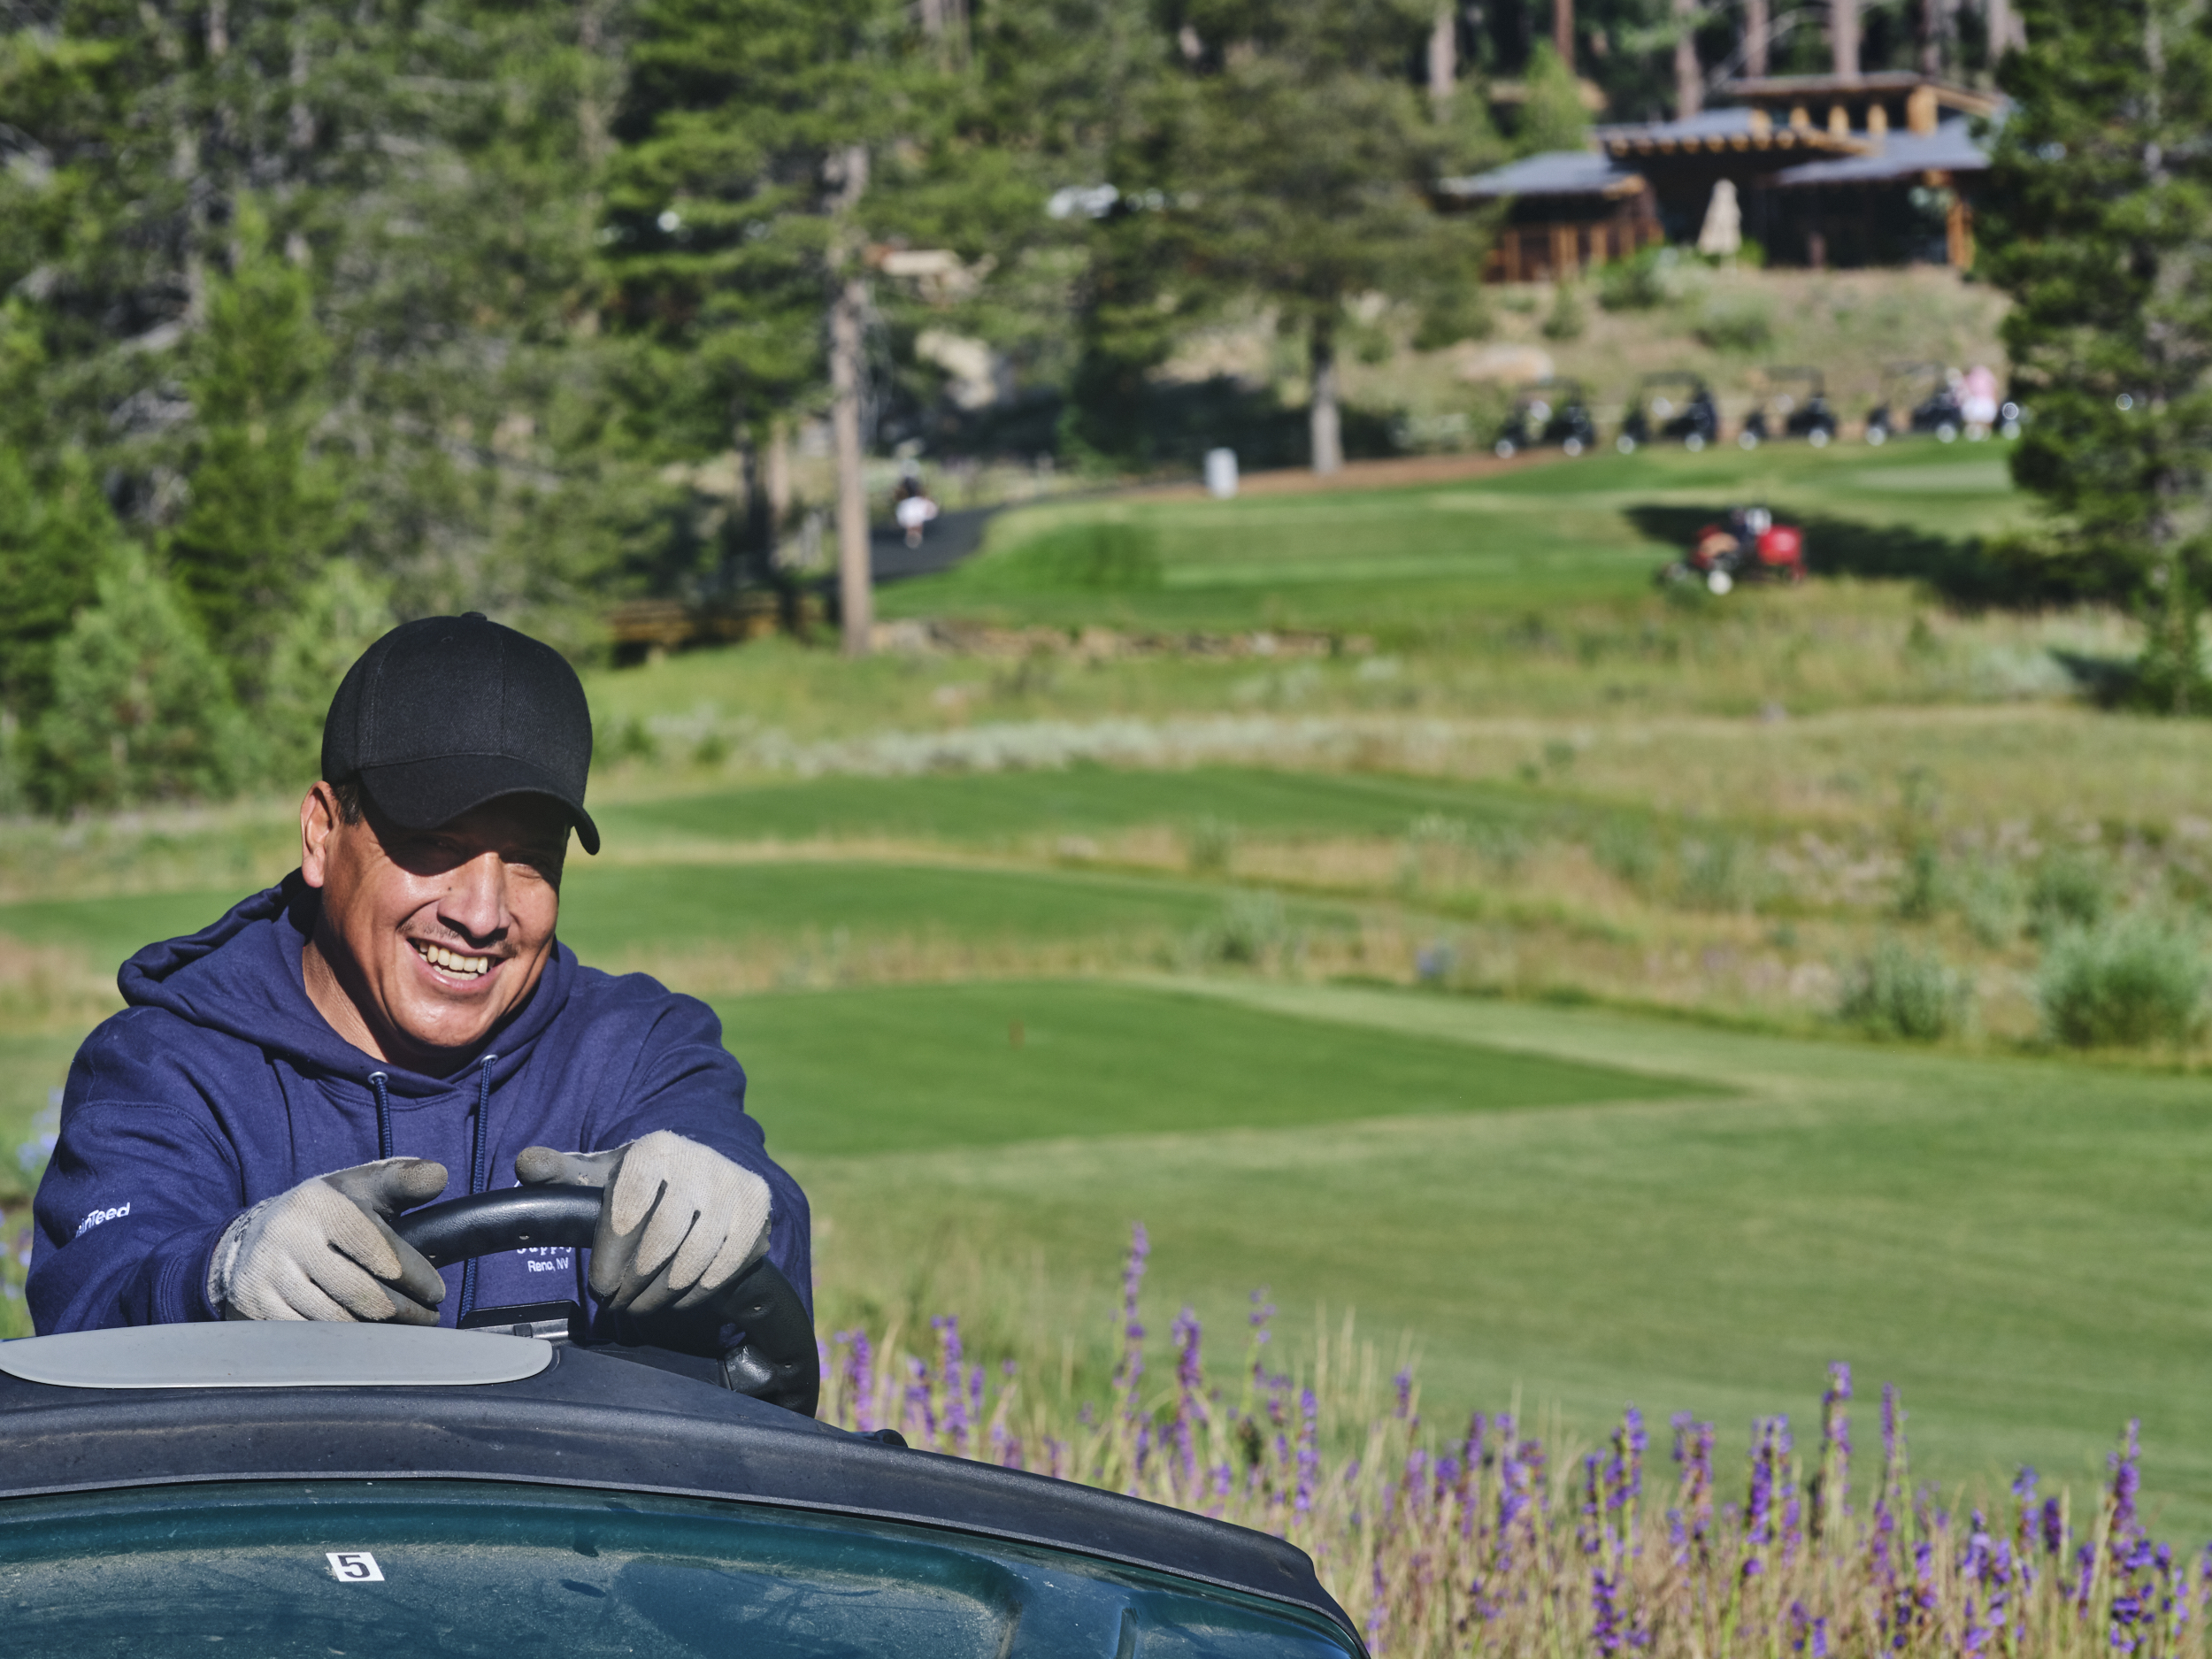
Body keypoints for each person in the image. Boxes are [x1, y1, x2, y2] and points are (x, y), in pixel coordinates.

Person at [28, 613, 808, 1344]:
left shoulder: (640, 1049)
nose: (482, 912)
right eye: (435, 843)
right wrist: (216, 1272)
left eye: (530, 858)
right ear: (323, 832)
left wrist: (738, 1208)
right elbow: (92, 1305)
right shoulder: (164, 1065)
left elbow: (761, 1230)